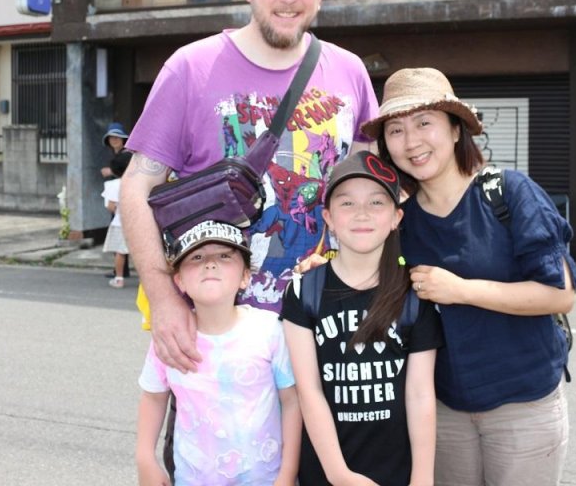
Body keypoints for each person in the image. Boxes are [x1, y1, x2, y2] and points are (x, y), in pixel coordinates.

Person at [121, 0, 379, 374]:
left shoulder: (350, 71)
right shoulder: (191, 68)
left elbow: (369, 186)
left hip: (326, 321)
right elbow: (137, 186)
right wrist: (163, 298)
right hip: (218, 327)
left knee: (324, 445)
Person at [361, 67, 576, 486]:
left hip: (523, 405)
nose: (411, 141)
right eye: (396, 130)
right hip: (443, 410)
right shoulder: (402, 223)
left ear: (456, 129)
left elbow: (559, 295)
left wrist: (461, 290)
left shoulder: (509, 193)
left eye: (424, 123)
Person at [281, 151, 443, 486]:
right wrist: (339, 474)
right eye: (347, 203)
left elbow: (419, 394)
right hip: (327, 471)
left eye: (376, 203)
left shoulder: (414, 294)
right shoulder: (303, 291)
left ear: (397, 217)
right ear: (328, 216)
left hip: (397, 471)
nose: (362, 215)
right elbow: (309, 391)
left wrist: (422, 479)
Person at [135, 217, 301, 486]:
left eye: (225, 256)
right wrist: (145, 458)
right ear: (179, 280)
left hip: (264, 479)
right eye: (197, 257)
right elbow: (153, 398)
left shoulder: (269, 329)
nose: (210, 264)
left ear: (246, 276)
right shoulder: (170, 336)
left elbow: (292, 402)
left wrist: (287, 474)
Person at [102, 122, 133, 280]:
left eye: (117, 137)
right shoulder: (118, 155)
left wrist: (111, 172)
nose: (114, 140)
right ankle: (121, 270)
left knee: (121, 238)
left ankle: (120, 272)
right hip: (119, 198)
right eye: (111, 138)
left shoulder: (126, 155)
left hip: (122, 200)